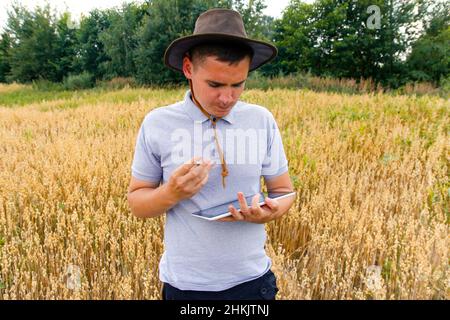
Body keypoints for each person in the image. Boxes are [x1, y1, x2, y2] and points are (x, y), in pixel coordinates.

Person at [127, 8, 295, 300]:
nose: (227, 98)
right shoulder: (158, 123)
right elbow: (137, 204)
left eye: (238, 84)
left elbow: (284, 190)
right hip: (186, 287)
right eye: (215, 85)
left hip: (253, 283)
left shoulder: (261, 119)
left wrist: (270, 212)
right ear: (189, 69)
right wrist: (171, 193)